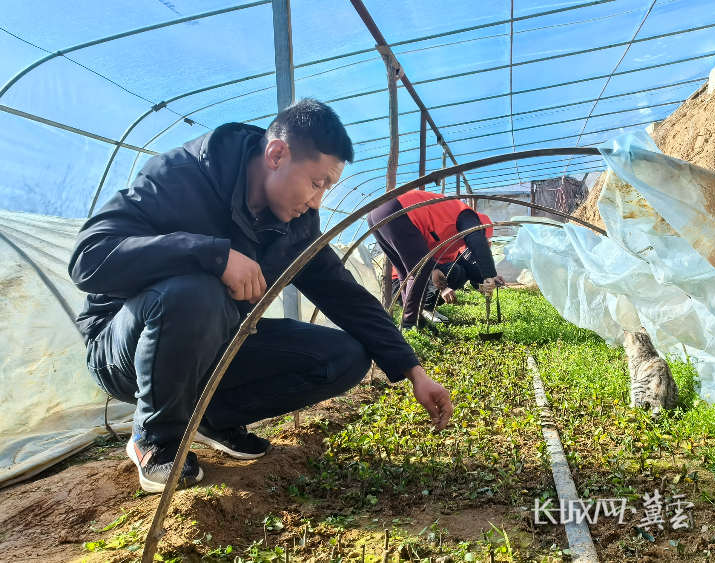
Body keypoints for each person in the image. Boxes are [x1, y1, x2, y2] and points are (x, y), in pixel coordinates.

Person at [69, 99, 453, 493]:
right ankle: (155, 438)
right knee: (197, 289)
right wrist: (211, 254)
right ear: (276, 154)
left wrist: (414, 371)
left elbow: (347, 296)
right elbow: (88, 259)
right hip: (125, 349)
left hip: (212, 345)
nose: (318, 200)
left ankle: (211, 418)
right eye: (316, 182)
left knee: (345, 357)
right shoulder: (180, 177)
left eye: (328, 187)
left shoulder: (297, 225)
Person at [367, 190, 504, 329]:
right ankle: (410, 323)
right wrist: (489, 274)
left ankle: (412, 318)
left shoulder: (449, 231)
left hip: (377, 213)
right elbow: (477, 239)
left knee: (407, 272)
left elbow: (465, 264)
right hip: (397, 210)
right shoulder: (467, 217)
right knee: (421, 271)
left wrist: (488, 277)